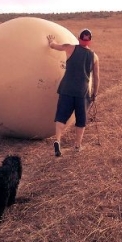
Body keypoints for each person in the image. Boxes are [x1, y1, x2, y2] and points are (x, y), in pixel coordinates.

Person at [46, 28, 100, 157]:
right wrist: (94, 93)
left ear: (78, 38)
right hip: (83, 92)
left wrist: (52, 41)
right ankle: (77, 145)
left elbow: (53, 46)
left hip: (66, 89)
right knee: (81, 120)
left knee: (61, 117)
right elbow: (97, 78)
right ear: (90, 41)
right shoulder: (94, 56)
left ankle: (58, 140)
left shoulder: (69, 48)